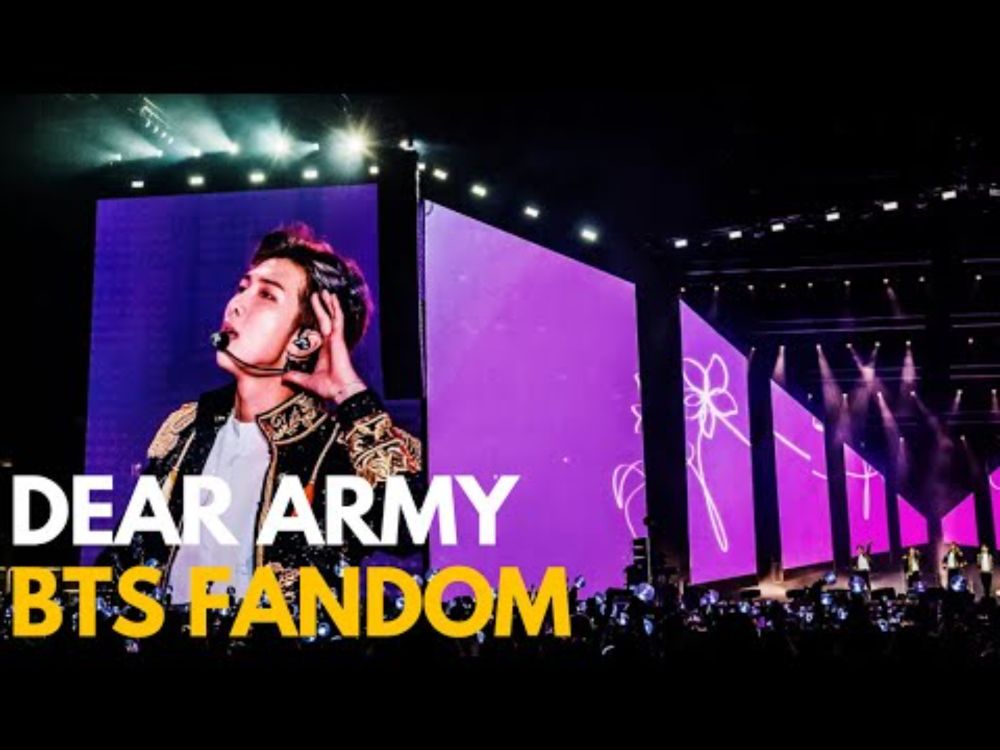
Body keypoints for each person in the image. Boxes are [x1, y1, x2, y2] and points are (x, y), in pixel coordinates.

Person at [102, 224, 422, 605]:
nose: (236, 305)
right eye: (243, 288)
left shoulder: (335, 450)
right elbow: (121, 564)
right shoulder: (186, 431)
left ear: (304, 340)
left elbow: (409, 527)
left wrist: (349, 394)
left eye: (267, 295)